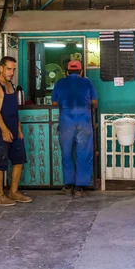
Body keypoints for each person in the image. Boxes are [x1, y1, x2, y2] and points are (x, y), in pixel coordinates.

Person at [0, 56, 33, 206]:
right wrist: (4, 130)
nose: (11, 72)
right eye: (8, 69)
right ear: (1, 68)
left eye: (13, 69)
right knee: (0, 163)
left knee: (19, 160)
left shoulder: (11, 85)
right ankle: (0, 195)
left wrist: (18, 128)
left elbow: (15, 110)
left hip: (14, 128)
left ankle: (13, 192)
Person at [52, 60, 98, 198]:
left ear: (66, 72)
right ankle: (79, 188)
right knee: (83, 154)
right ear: (81, 71)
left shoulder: (60, 83)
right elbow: (95, 102)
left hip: (66, 123)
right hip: (84, 122)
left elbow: (54, 102)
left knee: (66, 153)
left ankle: (68, 185)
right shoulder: (87, 82)